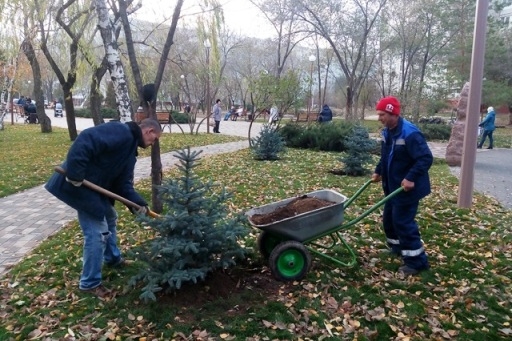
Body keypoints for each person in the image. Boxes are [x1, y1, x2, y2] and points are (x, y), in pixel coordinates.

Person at [45, 118, 162, 298]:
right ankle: (89, 283)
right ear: (149, 131)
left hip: (93, 189)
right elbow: (86, 139)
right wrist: (75, 173)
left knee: (110, 216)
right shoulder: (121, 131)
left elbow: (123, 185)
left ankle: (113, 258)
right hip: (77, 185)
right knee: (97, 232)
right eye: (154, 139)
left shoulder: (130, 152)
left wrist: (139, 205)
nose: (153, 143)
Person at [371, 96, 433, 276]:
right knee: (389, 220)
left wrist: (411, 177)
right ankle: (397, 247)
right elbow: (385, 156)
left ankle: (417, 261)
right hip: (392, 186)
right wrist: (378, 171)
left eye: (382, 114)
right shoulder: (387, 132)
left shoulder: (410, 133)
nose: (379, 118)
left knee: (403, 222)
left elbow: (425, 158)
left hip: (408, 189)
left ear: (393, 113)